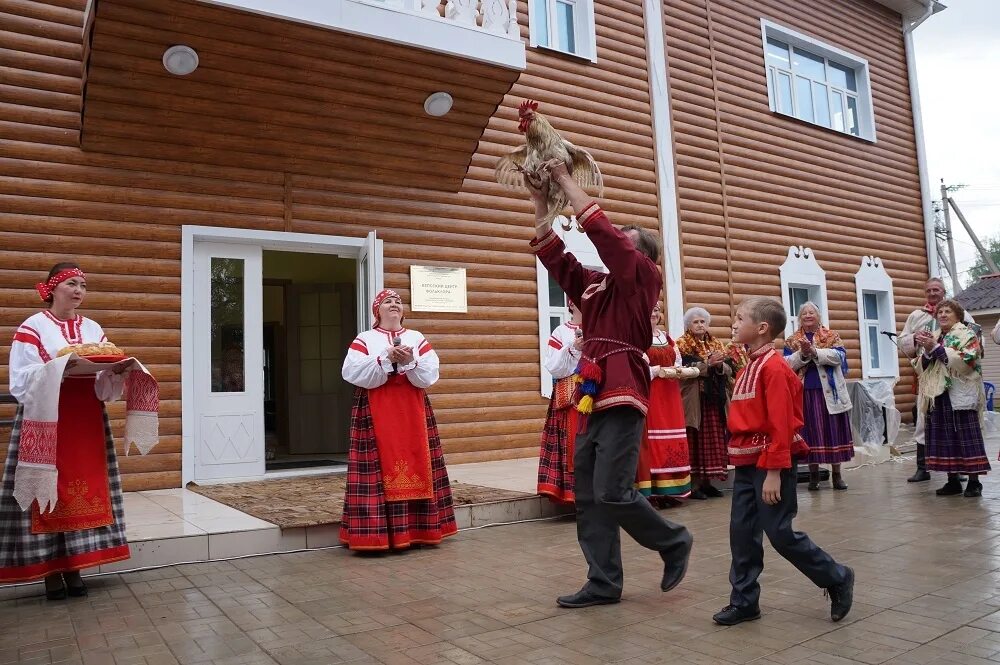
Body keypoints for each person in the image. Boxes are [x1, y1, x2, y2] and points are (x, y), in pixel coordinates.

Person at [526, 158, 692, 609]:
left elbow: (605, 235)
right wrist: (541, 197)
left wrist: (565, 179)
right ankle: (603, 582)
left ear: (643, 256)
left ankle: (672, 540)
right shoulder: (596, 285)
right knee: (590, 494)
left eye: (627, 242)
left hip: (620, 384)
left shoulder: (643, 278)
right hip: (591, 390)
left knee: (614, 490)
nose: (615, 244)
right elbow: (552, 252)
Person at [0, 263, 153, 599]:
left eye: (83, 285)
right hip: (46, 419)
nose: (79, 290)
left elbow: (103, 381)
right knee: (49, 489)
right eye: (72, 283)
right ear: (52, 288)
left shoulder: (93, 329)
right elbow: (21, 380)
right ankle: (50, 572)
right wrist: (60, 367)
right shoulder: (33, 327)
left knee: (84, 490)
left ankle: (76, 567)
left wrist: (117, 372)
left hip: (86, 420)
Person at [712, 297, 854, 626]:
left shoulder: (774, 368)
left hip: (770, 465)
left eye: (739, 318)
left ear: (761, 328)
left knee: (779, 533)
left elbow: (781, 422)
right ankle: (744, 601)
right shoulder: (751, 364)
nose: (733, 323)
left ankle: (837, 576)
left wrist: (774, 471)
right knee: (742, 532)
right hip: (748, 465)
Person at [339, 289, 458, 550]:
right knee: (379, 465)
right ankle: (377, 535)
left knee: (417, 458)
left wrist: (411, 362)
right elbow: (351, 371)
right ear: (377, 311)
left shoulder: (415, 337)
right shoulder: (365, 338)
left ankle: (419, 531)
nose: (394, 305)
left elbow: (430, 373)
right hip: (376, 408)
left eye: (398, 302)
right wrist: (384, 358)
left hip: (412, 408)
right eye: (387, 302)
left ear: (402, 311)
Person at [899, 277, 976, 482]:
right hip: (929, 378)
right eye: (929, 290)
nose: (933, 294)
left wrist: (938, 346)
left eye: (937, 290)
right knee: (925, 422)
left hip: (956, 378)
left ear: (944, 292)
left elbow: (976, 339)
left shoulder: (962, 314)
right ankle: (923, 467)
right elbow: (902, 341)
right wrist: (916, 339)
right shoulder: (917, 315)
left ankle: (960, 471)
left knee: (956, 425)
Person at [913, 299, 989, 497]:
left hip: (960, 393)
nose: (943, 315)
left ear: (957, 315)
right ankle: (952, 480)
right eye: (940, 312)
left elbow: (969, 360)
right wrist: (928, 351)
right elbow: (921, 365)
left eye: (948, 311)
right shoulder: (935, 335)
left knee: (967, 437)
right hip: (938, 395)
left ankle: (974, 482)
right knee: (945, 438)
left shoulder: (967, 334)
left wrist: (936, 349)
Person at [783, 302, 853, 491]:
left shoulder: (831, 335)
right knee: (810, 432)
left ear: (818, 316)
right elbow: (786, 364)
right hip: (804, 393)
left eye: (811, 312)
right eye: (804, 313)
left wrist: (815, 351)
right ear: (799, 318)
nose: (808, 315)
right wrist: (803, 353)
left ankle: (837, 475)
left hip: (829, 392)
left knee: (833, 431)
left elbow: (840, 357)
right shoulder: (792, 340)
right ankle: (814, 475)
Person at [635, 303, 692, 502]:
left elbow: (677, 361)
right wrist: (657, 369)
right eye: (650, 310)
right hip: (651, 392)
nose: (654, 314)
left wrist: (677, 370)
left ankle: (672, 490)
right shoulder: (638, 337)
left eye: (657, 310)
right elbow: (638, 367)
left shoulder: (666, 337)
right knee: (652, 440)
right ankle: (652, 491)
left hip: (670, 393)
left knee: (673, 437)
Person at [677, 307, 732, 499]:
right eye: (696, 322)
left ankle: (708, 482)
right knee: (695, 440)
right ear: (688, 325)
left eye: (703, 322)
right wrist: (706, 365)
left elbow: (729, 369)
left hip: (714, 400)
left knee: (713, 440)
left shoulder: (716, 343)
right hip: (694, 400)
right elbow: (682, 369)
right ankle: (694, 484)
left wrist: (719, 366)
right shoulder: (682, 344)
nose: (700, 325)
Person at [537, 300, 583, 504]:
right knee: (572, 441)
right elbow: (553, 366)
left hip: (598, 392)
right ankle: (573, 495)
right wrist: (573, 347)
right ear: (571, 306)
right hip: (571, 395)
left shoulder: (600, 328)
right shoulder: (561, 332)